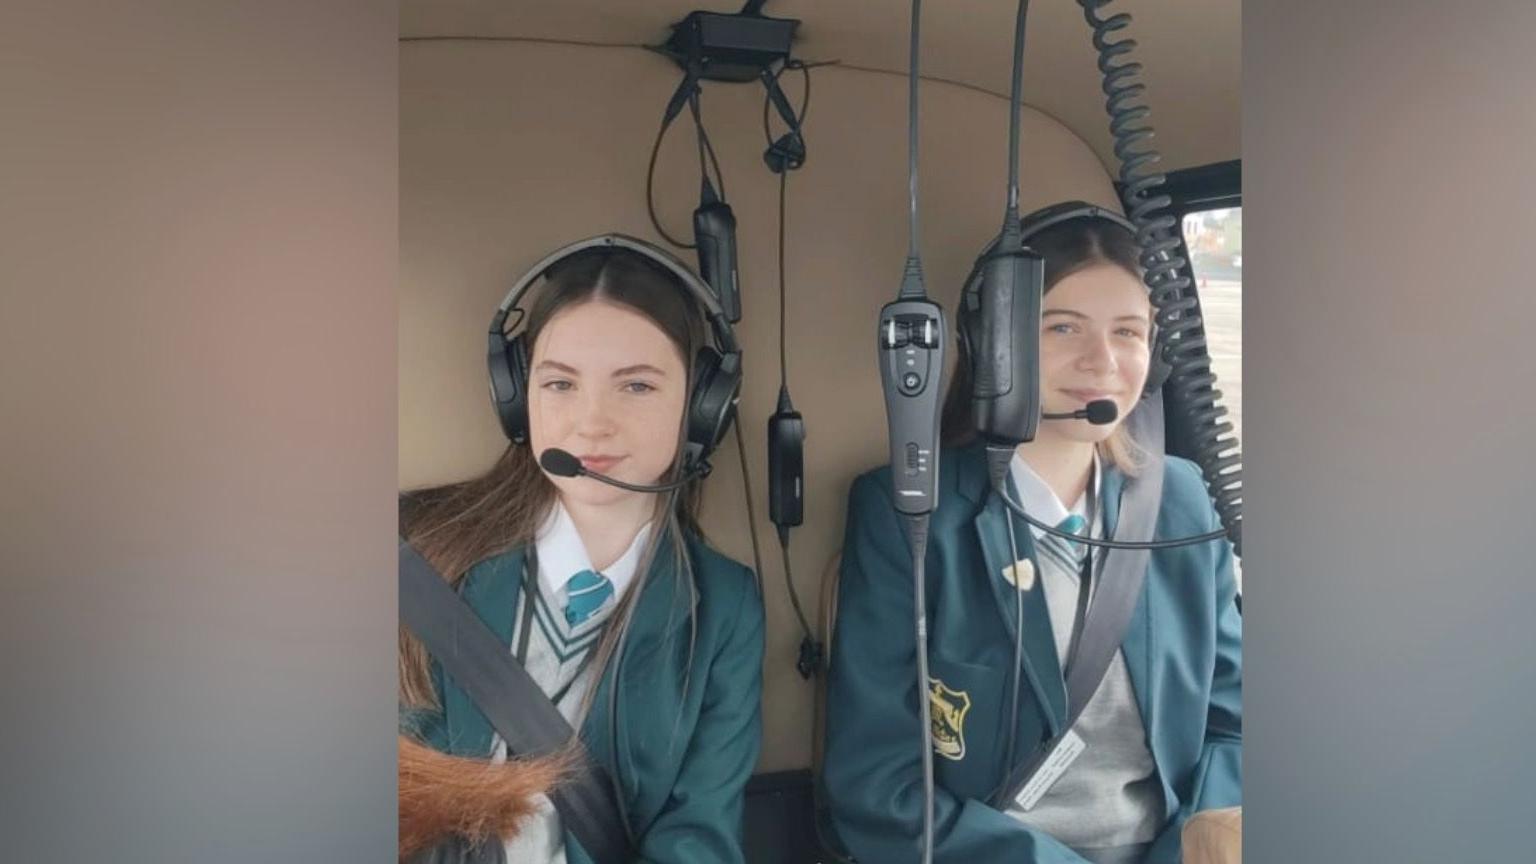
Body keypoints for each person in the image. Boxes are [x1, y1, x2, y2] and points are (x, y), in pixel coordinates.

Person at [823, 203, 1242, 864]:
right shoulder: (909, 512)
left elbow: (1233, 719)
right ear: (995, 341)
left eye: (1129, 332)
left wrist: (1206, 832)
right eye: (1062, 327)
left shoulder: (1184, 502)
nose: (1102, 361)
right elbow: (878, 786)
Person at [398, 243, 765, 863]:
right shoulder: (419, 554)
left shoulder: (724, 607)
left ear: (704, 409)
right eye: (561, 383)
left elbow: (698, 834)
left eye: (638, 386)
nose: (593, 423)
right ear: (516, 396)